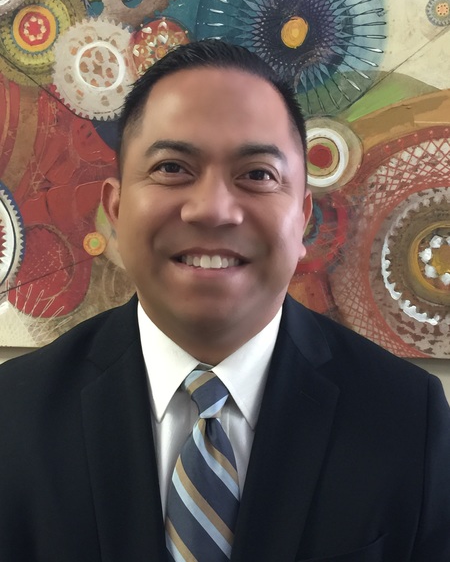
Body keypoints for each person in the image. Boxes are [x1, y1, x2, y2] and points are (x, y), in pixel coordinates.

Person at [0, 40, 449, 562]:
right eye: (172, 168)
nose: (213, 210)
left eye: (257, 174)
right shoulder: (14, 415)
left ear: (302, 219)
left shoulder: (407, 418)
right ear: (116, 210)